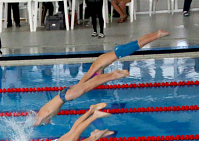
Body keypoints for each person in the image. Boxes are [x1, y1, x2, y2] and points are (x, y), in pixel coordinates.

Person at [34, 30, 170, 126]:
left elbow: (88, 79)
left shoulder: (94, 69)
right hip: (114, 55)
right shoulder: (49, 111)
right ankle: (156, 34)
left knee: (138, 44)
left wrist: (79, 84)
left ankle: (157, 35)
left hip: (116, 54)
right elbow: (92, 81)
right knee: (137, 43)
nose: (47, 122)